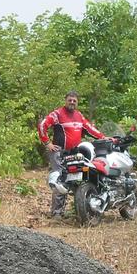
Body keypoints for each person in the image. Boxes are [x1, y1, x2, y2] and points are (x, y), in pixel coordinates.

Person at [37, 90, 106, 219]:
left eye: (74, 100)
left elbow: (90, 129)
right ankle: (57, 213)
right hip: (59, 152)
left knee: (77, 180)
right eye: (70, 100)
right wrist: (47, 143)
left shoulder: (79, 115)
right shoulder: (57, 114)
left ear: (77, 102)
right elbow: (42, 125)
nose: (72, 102)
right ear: (65, 100)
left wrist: (104, 138)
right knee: (61, 180)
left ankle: (79, 209)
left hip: (75, 153)